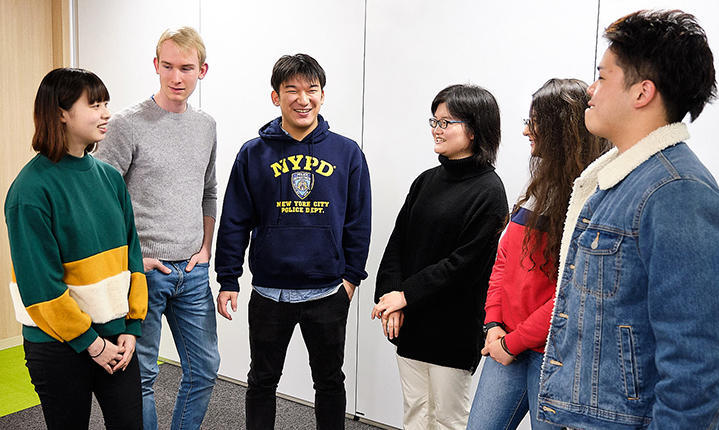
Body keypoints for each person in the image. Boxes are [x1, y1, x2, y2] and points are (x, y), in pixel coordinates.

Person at [536, 10, 719, 429]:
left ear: (642, 92)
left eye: (602, 77)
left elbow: (695, 365)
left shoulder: (676, 192)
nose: (591, 90)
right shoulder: (620, 180)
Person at [215, 53, 371, 430]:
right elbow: (235, 218)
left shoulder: (347, 152)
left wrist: (351, 278)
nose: (303, 99)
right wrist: (228, 278)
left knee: (329, 381)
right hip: (271, 292)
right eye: (292, 90)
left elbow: (359, 220)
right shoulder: (253, 153)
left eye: (311, 90)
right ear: (276, 97)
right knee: (262, 381)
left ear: (322, 95)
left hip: (327, 291)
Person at [5, 68, 147, 429]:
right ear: (61, 113)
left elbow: (132, 257)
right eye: (94, 105)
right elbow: (41, 289)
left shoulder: (110, 178)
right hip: (59, 345)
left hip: (117, 336)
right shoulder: (30, 191)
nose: (106, 114)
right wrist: (93, 345)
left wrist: (132, 325)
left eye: (106, 104)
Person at [95, 26, 220, 430]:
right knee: (142, 375)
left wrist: (206, 247)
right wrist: (134, 260)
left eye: (186, 68)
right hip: (144, 273)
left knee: (205, 369)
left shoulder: (206, 125)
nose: (176, 77)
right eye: (167, 66)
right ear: (156, 65)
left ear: (202, 70)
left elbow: (208, 190)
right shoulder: (127, 124)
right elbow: (102, 201)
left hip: (192, 272)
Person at [465, 79, 609, 430]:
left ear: (561, 129)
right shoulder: (538, 187)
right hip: (506, 343)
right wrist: (493, 324)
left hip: (553, 354)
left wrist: (513, 342)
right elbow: (503, 261)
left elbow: (570, 292)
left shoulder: (593, 197)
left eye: (534, 122)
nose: (527, 130)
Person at [371, 84, 508, 430]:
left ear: (474, 129)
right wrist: (391, 299)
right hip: (411, 321)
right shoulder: (426, 180)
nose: (437, 129)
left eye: (446, 122)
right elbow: (397, 243)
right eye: (434, 120)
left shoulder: (490, 192)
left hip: (453, 327)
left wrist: (405, 295)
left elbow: (464, 265)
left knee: (448, 419)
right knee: (416, 411)